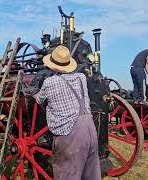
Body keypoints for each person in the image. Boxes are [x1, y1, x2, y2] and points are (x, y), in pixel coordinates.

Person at [34, 45, 101, 180]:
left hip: (69, 135)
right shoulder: (81, 78)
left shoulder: (49, 82)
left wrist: (34, 95)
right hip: (89, 129)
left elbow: (40, 100)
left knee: (67, 174)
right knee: (91, 174)